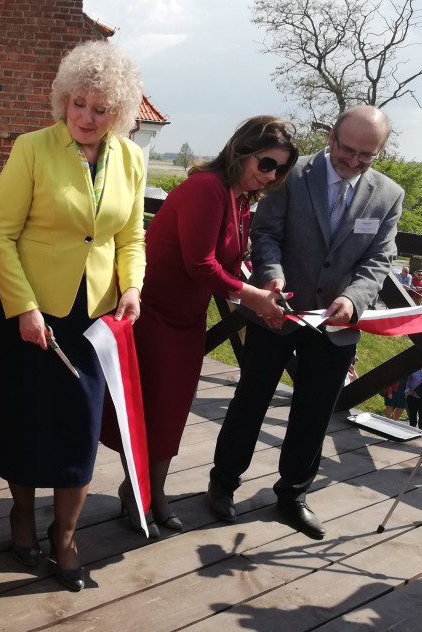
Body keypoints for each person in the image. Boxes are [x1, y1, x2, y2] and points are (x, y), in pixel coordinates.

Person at [0, 40, 146, 592]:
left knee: (79, 426)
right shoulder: (32, 148)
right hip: (28, 311)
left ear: (119, 114)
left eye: (101, 109)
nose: (87, 117)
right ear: (64, 99)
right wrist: (24, 307)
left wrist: (133, 288)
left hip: (93, 317)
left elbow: (131, 236)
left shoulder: (132, 158)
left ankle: (66, 535)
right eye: (79, 103)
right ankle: (22, 515)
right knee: (27, 418)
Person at [207, 105, 404, 540]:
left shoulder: (390, 195)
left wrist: (353, 300)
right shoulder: (291, 174)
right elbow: (266, 234)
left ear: (380, 151)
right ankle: (222, 483)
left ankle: (293, 494)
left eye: (365, 156)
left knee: (315, 414)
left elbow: (379, 259)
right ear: (331, 137)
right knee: (250, 400)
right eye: (346, 150)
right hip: (275, 312)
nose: (353, 162)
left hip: (336, 325)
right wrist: (270, 279)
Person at [102, 116, 295, 536]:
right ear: (242, 150)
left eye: (281, 169)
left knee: (172, 411)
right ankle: (140, 494)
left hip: (187, 318)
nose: (272, 175)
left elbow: (227, 263)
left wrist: (266, 286)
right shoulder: (206, 189)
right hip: (153, 313)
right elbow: (199, 263)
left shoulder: (239, 196)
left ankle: (151, 492)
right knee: (149, 409)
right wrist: (252, 297)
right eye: (267, 163)